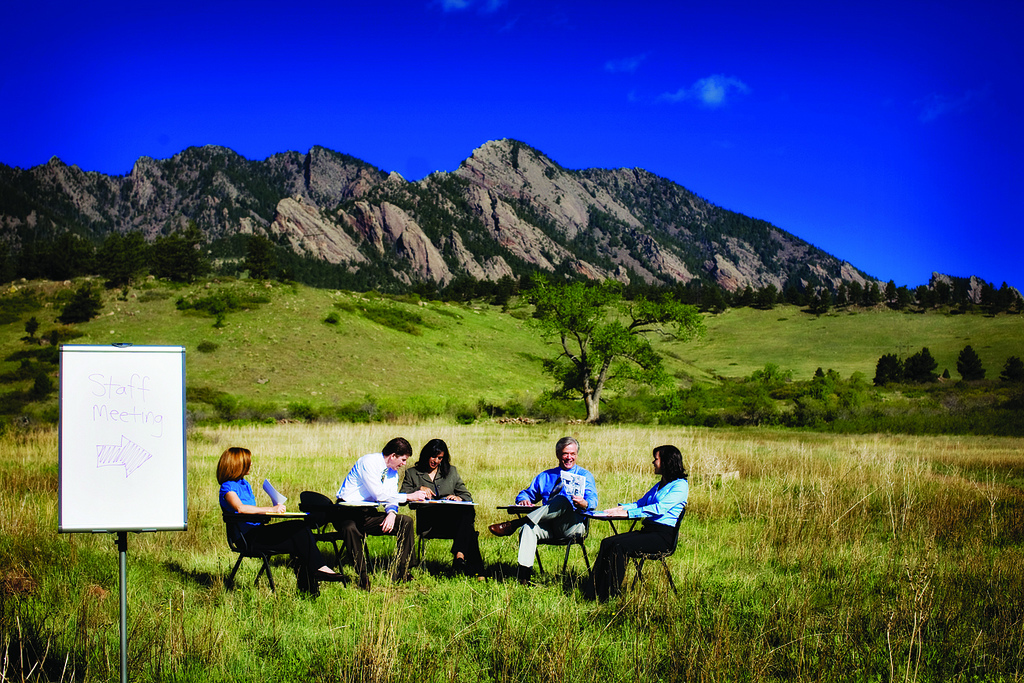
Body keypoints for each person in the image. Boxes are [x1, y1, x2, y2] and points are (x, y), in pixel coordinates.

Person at [217, 446, 343, 596]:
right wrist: (271, 509)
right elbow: (241, 508)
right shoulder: (227, 488)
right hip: (248, 538)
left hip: (258, 531)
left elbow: (251, 510)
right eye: (248, 462)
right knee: (299, 533)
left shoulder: (244, 484)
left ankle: (309, 589)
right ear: (238, 464)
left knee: (301, 531)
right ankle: (318, 571)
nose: (251, 464)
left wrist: (270, 511)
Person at [488, 436, 598, 584]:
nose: (569, 457)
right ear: (558, 454)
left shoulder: (584, 475)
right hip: (549, 526)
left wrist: (584, 503)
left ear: (577, 455)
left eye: (573, 454)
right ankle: (524, 577)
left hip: (572, 526)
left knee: (561, 500)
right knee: (528, 528)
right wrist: (523, 500)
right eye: (565, 453)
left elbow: (593, 501)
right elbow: (526, 493)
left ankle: (514, 524)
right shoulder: (546, 476)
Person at [590, 444, 688, 602]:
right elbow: (641, 503)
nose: (653, 462)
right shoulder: (660, 485)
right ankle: (593, 589)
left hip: (663, 536)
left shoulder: (680, 485)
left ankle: (609, 596)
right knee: (607, 542)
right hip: (648, 531)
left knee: (618, 546)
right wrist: (617, 509)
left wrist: (628, 513)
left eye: (656, 459)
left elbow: (659, 509)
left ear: (667, 462)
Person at [334, 437, 430, 589]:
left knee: (405, 522)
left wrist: (391, 512)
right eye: (403, 460)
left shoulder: (392, 472)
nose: (404, 464)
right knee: (350, 528)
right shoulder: (368, 463)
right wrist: (408, 496)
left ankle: (402, 571)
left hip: (367, 513)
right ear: (393, 456)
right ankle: (362, 577)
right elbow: (379, 494)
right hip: (346, 511)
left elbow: (390, 496)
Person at [400, 438, 484, 575]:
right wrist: (418, 489)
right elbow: (402, 497)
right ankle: (473, 568)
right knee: (469, 531)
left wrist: (459, 498)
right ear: (426, 455)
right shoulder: (412, 473)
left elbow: (467, 496)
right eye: (433, 456)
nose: (436, 461)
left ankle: (460, 558)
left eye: (440, 458)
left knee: (468, 511)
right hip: (429, 522)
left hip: (452, 522)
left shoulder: (451, 472)